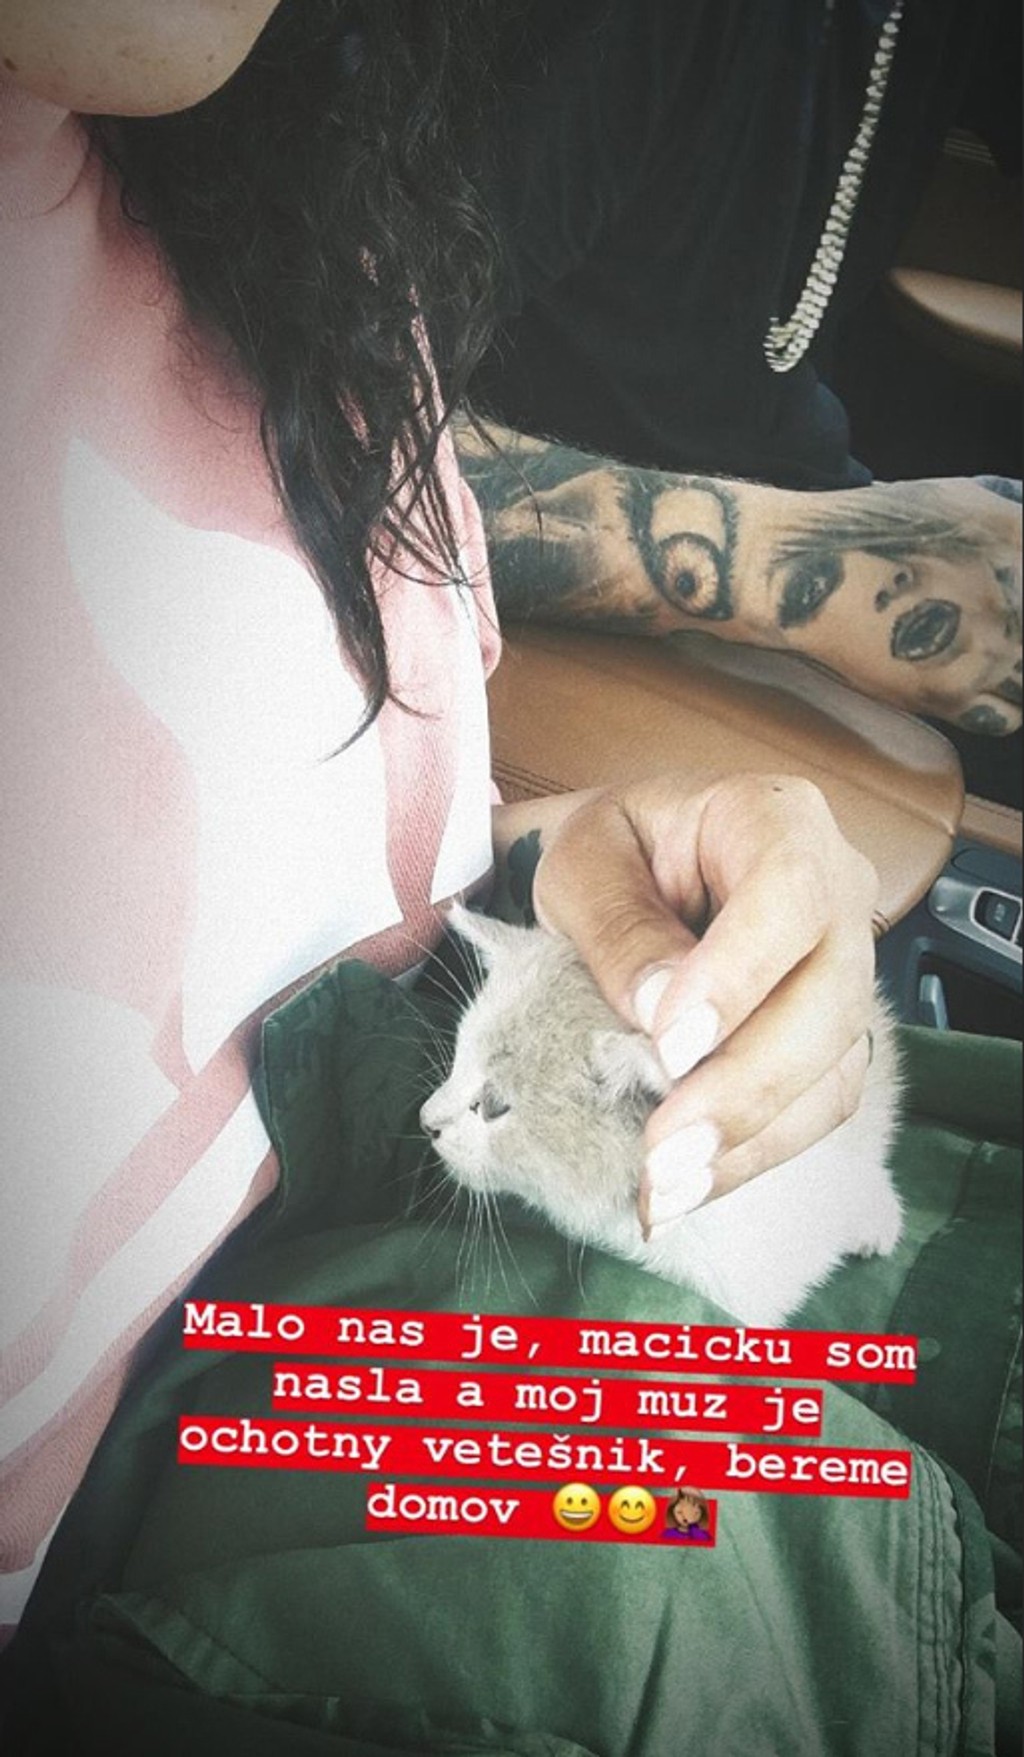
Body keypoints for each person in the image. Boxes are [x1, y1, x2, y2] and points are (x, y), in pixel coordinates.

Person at [0, 5, 1019, 1753]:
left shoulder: (274, 155)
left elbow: (321, 820)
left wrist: (598, 856)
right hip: (185, 1511)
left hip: (411, 1106)